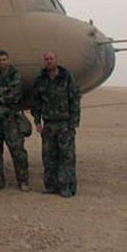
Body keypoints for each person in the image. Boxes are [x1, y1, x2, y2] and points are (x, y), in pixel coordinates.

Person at [31, 51, 81, 198]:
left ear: (56, 60)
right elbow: (36, 102)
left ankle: (66, 188)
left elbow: (74, 100)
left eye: (51, 59)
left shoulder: (66, 77)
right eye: (46, 59)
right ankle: (51, 186)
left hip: (64, 123)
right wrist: (37, 121)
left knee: (66, 157)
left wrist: (73, 124)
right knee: (49, 157)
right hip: (48, 125)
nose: (49, 61)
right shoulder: (40, 80)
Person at [0, 50, 31, 193]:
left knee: (18, 152)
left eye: (4, 59)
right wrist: (3, 91)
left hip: (10, 119)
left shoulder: (15, 75)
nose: (2, 62)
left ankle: (23, 181)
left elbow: (14, 95)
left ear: (8, 60)